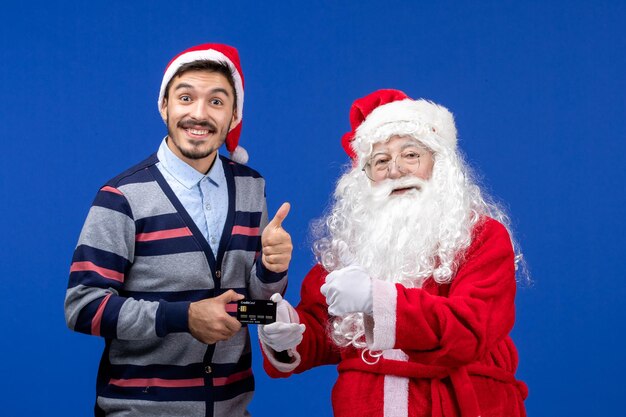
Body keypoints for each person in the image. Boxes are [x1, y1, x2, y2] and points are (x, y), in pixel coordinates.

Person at [258, 89, 528, 417]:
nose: (395, 170)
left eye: (410, 155)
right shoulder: (351, 244)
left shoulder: (482, 236)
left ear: (439, 164)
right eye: (381, 161)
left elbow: (470, 328)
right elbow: (322, 330)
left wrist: (378, 298)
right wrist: (287, 332)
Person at [65, 43, 292, 417]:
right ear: (164, 106)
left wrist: (273, 270)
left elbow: (251, 302)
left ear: (234, 115)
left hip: (232, 409)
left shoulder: (252, 188)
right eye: (186, 97)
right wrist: (184, 317)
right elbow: (83, 307)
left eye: (217, 101)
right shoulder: (122, 197)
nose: (199, 114)